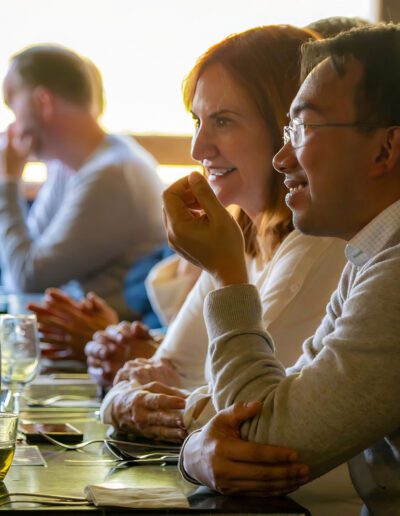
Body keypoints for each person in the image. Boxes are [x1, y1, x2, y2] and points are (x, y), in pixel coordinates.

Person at [162, 24, 400, 513]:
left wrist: (229, 277)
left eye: (304, 129)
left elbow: (262, 437)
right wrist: (193, 453)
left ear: (385, 150)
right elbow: (274, 404)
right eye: (287, 129)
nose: (281, 156)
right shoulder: (370, 254)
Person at [0, 44, 165, 318]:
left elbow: (26, 280)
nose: (12, 127)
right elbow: (23, 258)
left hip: (107, 343)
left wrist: (7, 183)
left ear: (43, 102)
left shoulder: (114, 175)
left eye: (12, 105)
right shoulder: (66, 167)